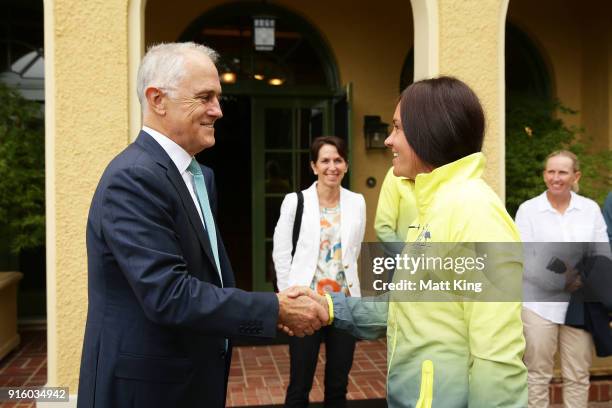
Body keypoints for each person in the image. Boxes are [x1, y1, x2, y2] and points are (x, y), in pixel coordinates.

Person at [77, 42, 327, 408]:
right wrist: (274, 309)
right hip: (148, 390)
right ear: (157, 99)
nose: (218, 110)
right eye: (205, 97)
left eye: (218, 97)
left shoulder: (199, 176)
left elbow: (209, 278)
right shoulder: (132, 178)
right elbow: (169, 294)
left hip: (192, 379)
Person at [286, 77, 528, 407]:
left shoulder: (475, 213)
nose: (388, 140)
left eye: (397, 128)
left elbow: (497, 360)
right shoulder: (433, 207)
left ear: (429, 132)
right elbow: (406, 305)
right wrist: (328, 307)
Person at [273, 135, 365, 408]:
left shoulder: (357, 201)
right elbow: (281, 252)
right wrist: (289, 296)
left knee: (338, 385)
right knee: (300, 384)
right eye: (325, 160)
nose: (332, 167)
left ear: (346, 165)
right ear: (314, 166)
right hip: (306, 304)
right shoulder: (295, 201)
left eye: (338, 160)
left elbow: (353, 250)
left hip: (344, 305)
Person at [515, 150, 609, 408]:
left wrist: (584, 279)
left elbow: (601, 252)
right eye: (551, 171)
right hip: (539, 307)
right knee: (536, 374)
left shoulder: (589, 209)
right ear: (545, 174)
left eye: (562, 172)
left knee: (577, 374)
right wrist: (561, 281)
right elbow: (525, 258)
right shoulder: (529, 210)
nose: (555, 178)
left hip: (580, 305)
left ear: (575, 175)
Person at [374, 166, 417, 243]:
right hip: (405, 252)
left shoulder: (444, 173)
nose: (394, 153)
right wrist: (405, 254)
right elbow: (383, 228)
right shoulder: (396, 173)